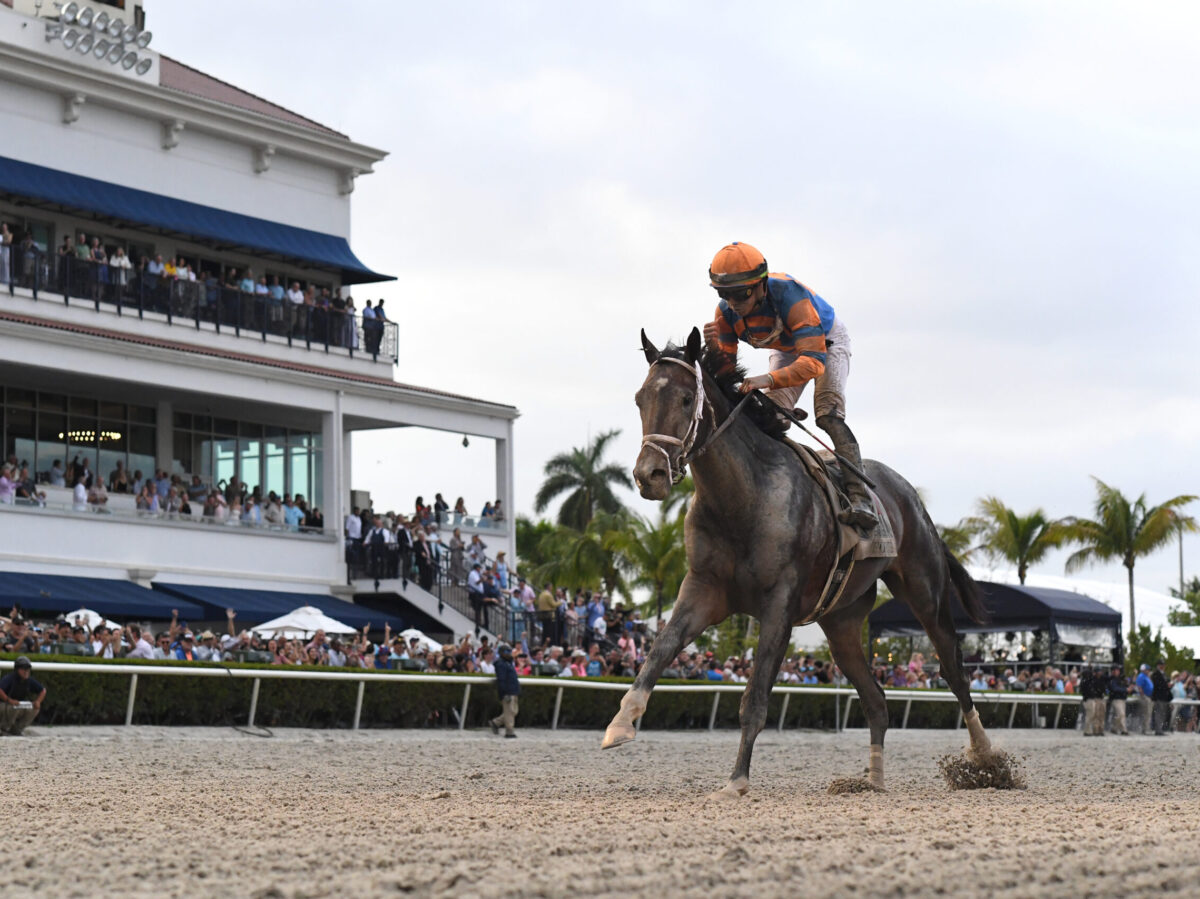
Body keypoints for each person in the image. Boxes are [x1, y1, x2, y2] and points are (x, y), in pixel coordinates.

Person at [702, 241, 877, 530]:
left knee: (827, 414)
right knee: (768, 418)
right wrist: (715, 349)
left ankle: (860, 497)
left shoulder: (790, 296)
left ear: (760, 285)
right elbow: (727, 377)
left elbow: (813, 363)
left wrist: (767, 380)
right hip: (785, 349)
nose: (733, 303)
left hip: (825, 345)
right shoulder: (725, 314)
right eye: (725, 294)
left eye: (740, 293)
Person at [0, 657, 45, 736]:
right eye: (23, 668)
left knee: (34, 708)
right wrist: (9, 700)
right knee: (14, 707)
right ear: (17, 669)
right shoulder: (9, 678)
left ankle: (17, 729)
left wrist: (38, 701)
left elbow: (43, 690)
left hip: (17, 705)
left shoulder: (29, 680)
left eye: (28, 668)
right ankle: (4, 728)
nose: (26, 671)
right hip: (4, 705)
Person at [488, 643, 521, 738]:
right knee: (510, 712)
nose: (509, 653)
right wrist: (504, 693)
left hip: (513, 690)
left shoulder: (509, 662)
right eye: (506, 651)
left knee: (514, 711)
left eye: (509, 651)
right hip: (508, 691)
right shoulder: (500, 664)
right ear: (501, 653)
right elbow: (501, 679)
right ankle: (509, 731)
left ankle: (495, 722)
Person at [1079, 667, 1106, 736]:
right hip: (1089, 699)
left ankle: (1089, 730)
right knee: (1090, 716)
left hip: (1090, 699)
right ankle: (1088, 731)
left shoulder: (1085, 681)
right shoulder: (1086, 682)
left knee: (1091, 715)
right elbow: (1088, 691)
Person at [1150, 660, 1173, 735]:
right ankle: (1158, 730)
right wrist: (1166, 685)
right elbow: (1157, 685)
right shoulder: (1155, 674)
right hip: (1159, 697)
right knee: (1159, 713)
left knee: (1163, 714)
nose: (1163, 666)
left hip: (1164, 697)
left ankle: (1160, 729)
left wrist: (1168, 685)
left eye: (1163, 665)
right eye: (1161, 665)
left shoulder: (1164, 674)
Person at [1106, 664, 1129, 734]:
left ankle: (1114, 728)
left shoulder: (1120, 679)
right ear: (1113, 671)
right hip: (1116, 699)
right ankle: (1123, 730)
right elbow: (1114, 689)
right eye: (1116, 670)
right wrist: (1126, 689)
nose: (1118, 671)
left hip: (1122, 699)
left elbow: (1125, 687)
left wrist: (1129, 688)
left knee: (1121, 715)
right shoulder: (1111, 679)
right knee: (1121, 714)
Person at [1134, 663, 1155, 734]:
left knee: (1148, 713)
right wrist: (1144, 696)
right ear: (1144, 670)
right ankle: (1145, 729)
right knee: (1146, 713)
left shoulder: (1146, 676)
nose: (1148, 671)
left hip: (1148, 696)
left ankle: (1146, 728)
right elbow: (1139, 687)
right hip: (1144, 697)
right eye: (1147, 669)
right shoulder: (1141, 676)